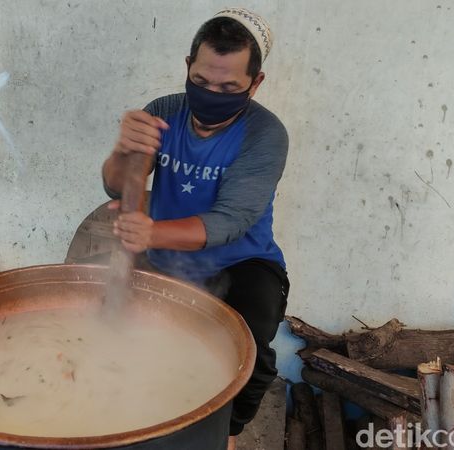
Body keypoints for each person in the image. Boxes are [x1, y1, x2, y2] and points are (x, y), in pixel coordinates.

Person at [101, 8, 290, 449]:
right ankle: (142, 414)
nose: (211, 95)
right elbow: (119, 184)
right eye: (202, 82)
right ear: (188, 67)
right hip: (166, 256)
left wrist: (149, 233)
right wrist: (123, 148)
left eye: (228, 88)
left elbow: (230, 222)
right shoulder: (164, 112)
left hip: (245, 260)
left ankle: (226, 434)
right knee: (122, 330)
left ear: (255, 82)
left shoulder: (265, 134)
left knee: (252, 349)